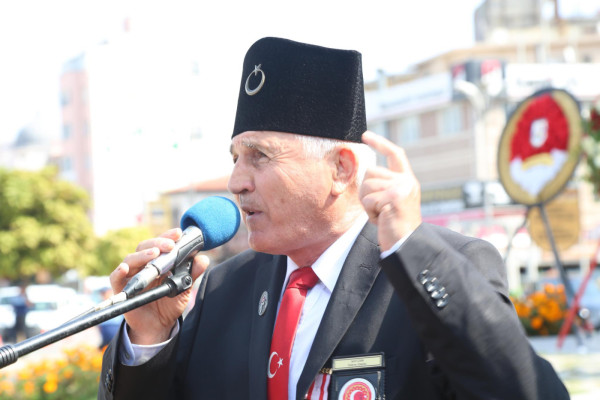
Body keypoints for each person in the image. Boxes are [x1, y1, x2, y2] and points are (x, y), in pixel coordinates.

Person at [98, 37, 569, 399]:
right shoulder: (222, 289)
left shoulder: (438, 270)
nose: (237, 181)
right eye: (235, 157)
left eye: (260, 156)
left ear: (341, 169)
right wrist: (149, 338)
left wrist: (414, 251)